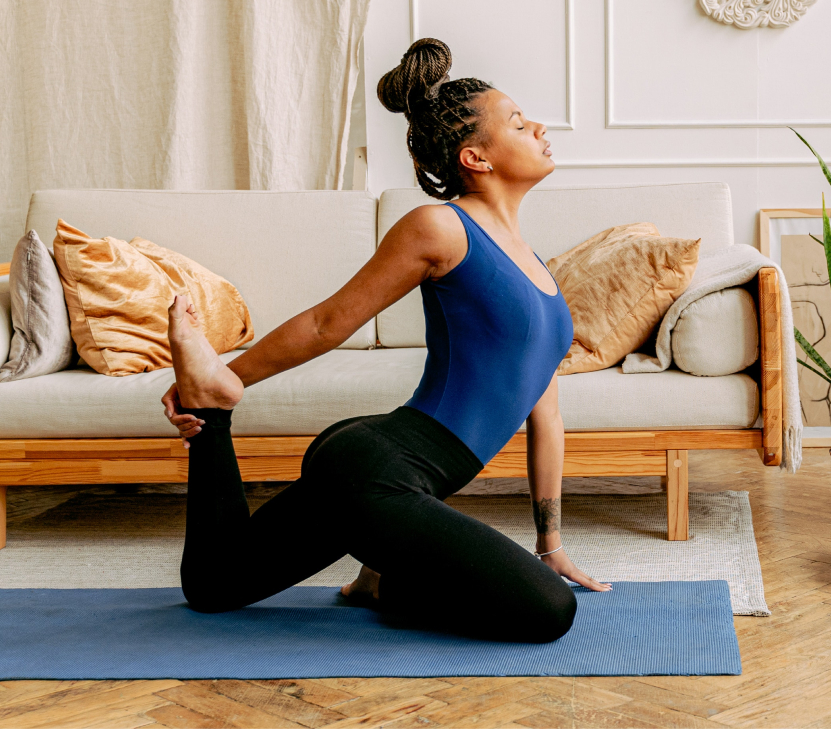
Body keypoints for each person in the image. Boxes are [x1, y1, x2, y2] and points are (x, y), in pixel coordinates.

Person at [159, 37, 611, 644]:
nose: (539, 126)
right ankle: (213, 399)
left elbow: (545, 412)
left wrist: (549, 542)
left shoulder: (538, 270)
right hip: (379, 467)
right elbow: (329, 322)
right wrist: (230, 372)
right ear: (475, 157)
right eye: (518, 120)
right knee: (548, 612)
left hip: (388, 475)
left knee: (215, 586)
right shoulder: (442, 226)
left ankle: (372, 566)